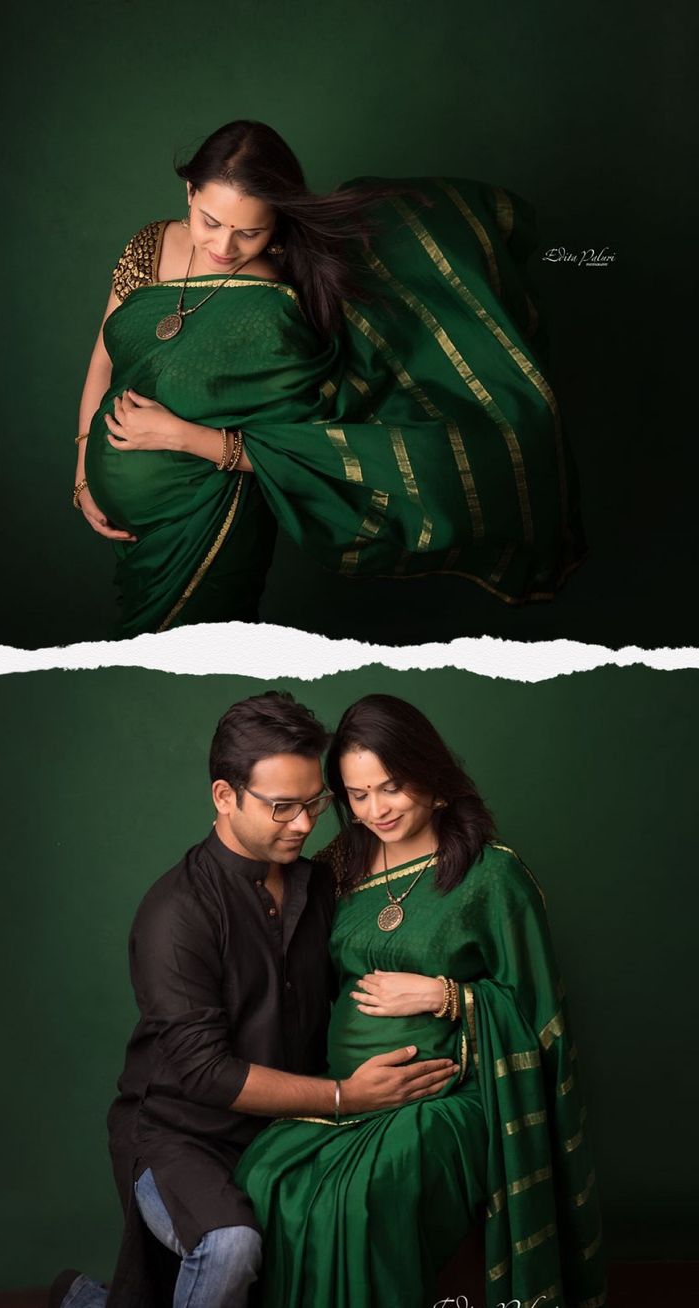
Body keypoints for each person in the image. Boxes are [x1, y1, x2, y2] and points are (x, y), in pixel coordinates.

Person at [73, 119, 585, 636]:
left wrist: (178, 436)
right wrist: (83, 473)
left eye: (250, 231)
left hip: (211, 527)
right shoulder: (149, 245)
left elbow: (298, 450)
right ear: (190, 192)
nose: (224, 246)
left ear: (278, 219)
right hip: (134, 533)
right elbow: (102, 361)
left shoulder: (279, 301)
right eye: (210, 221)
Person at [49, 691, 457, 1308]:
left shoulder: (321, 881)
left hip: (288, 1124)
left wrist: (446, 993)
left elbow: (406, 880)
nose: (302, 823)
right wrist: (348, 1096)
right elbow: (205, 1074)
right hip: (180, 1134)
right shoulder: (175, 913)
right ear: (224, 797)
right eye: (282, 807)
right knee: (231, 1247)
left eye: (313, 804)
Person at [234, 694, 607, 1308]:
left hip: (448, 1101)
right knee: (265, 1173)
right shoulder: (335, 873)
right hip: (347, 1094)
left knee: (370, 1192)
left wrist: (449, 994)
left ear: (432, 778)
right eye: (357, 794)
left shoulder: (491, 877)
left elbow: (542, 1022)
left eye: (392, 787)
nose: (375, 809)